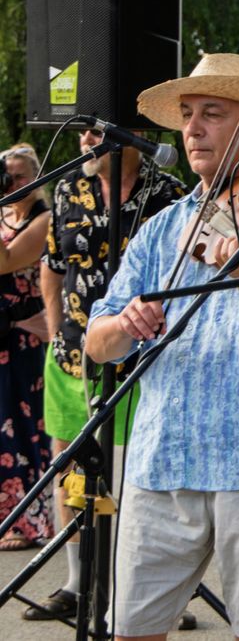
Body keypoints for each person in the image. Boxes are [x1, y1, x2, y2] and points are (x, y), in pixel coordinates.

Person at [85, 52, 239, 641]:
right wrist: (128, 321)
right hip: (161, 459)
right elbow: (97, 344)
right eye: (188, 114)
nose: (192, 128)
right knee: (131, 631)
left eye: (212, 113)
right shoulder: (163, 227)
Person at [25, 127, 186, 622]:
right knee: (71, 468)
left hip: (144, 357)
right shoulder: (69, 187)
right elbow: (53, 266)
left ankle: (159, 592)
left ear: (132, 135)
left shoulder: (169, 194)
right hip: (73, 352)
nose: (86, 140)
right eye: (83, 132)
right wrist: (57, 330)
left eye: (97, 131)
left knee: (149, 473)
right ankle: (78, 581)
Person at [0, 144, 52, 551]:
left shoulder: (44, 219)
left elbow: (6, 261)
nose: (13, 183)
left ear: (35, 178)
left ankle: (27, 521)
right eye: (7, 176)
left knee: (23, 427)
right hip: (3, 332)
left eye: (20, 176)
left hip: (25, 337)